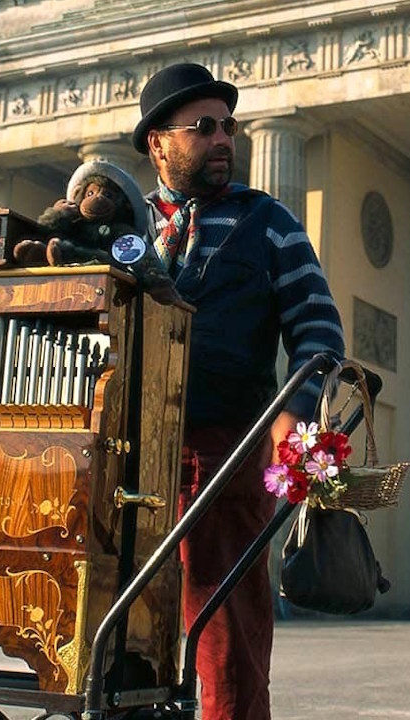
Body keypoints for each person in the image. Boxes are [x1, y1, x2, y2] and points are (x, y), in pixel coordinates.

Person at [131, 62, 345, 720]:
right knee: (115, 637)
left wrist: (295, 412)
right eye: (204, 127)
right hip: (125, 455)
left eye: (229, 126)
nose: (224, 138)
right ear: (158, 142)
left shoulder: (269, 222)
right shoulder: (126, 228)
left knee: (227, 646)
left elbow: (319, 332)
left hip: (224, 459)